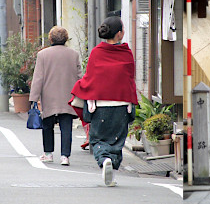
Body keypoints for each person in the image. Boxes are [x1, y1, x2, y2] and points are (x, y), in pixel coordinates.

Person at [70, 16, 138, 187]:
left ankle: (104, 160)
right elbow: (130, 79)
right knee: (117, 140)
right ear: (120, 34)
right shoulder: (126, 53)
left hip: (100, 106)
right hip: (122, 105)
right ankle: (111, 168)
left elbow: (90, 78)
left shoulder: (96, 52)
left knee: (98, 139)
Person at [29, 26, 82, 166]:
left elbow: (38, 78)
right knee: (66, 127)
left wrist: (33, 98)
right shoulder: (73, 54)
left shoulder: (43, 54)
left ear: (50, 38)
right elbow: (80, 77)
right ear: (66, 39)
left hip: (49, 97)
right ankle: (65, 157)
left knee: (47, 126)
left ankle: (48, 154)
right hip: (68, 97)